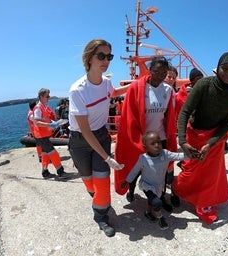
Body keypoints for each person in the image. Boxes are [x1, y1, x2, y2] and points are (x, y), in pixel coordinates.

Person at [68, 38, 129, 238]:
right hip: (80, 141)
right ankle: (97, 197)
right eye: (100, 56)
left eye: (108, 56)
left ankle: (101, 216)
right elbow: (85, 131)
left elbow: (114, 93)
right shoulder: (78, 90)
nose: (106, 60)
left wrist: (137, 84)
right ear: (89, 58)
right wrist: (108, 157)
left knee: (102, 180)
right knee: (88, 181)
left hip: (100, 136)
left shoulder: (106, 83)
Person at [172, 52, 228, 224]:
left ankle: (203, 203)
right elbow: (185, 113)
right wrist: (182, 141)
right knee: (191, 171)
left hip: (215, 137)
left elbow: (227, 122)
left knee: (211, 175)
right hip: (195, 134)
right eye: (225, 68)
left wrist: (211, 143)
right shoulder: (204, 84)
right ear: (218, 67)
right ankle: (176, 189)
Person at [114, 56, 177, 211]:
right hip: (140, 137)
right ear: (150, 70)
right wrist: (137, 139)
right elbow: (129, 116)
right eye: (156, 70)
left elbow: (169, 116)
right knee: (137, 167)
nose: (160, 74)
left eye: (164, 71)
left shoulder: (168, 90)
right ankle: (131, 188)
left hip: (159, 138)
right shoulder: (137, 88)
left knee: (160, 171)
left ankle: (160, 198)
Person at [122, 131, 188, 230]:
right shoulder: (143, 158)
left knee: (152, 200)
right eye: (152, 144)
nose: (157, 145)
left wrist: (193, 155)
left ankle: (148, 212)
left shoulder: (165, 154)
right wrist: (127, 181)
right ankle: (161, 218)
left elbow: (179, 156)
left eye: (159, 142)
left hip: (159, 185)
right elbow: (135, 170)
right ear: (145, 148)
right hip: (147, 185)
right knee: (157, 203)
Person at [33, 88, 69, 179]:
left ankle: (45, 172)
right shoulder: (38, 108)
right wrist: (50, 124)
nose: (49, 98)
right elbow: (37, 122)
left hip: (44, 134)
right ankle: (60, 171)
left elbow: (46, 118)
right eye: (47, 96)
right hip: (41, 136)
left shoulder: (44, 106)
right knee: (53, 153)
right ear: (41, 96)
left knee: (45, 153)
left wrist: (54, 123)